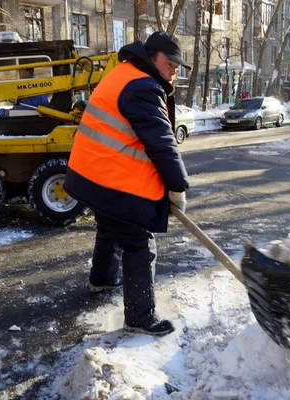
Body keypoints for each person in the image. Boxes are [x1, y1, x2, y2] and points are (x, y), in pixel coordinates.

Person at [64, 31, 190, 336]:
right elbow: (161, 143)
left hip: (92, 172)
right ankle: (140, 317)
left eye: (178, 65)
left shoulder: (126, 72)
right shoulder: (143, 86)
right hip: (108, 176)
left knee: (110, 223)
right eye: (170, 62)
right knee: (138, 240)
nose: (174, 69)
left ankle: (102, 278)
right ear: (152, 57)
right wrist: (177, 187)